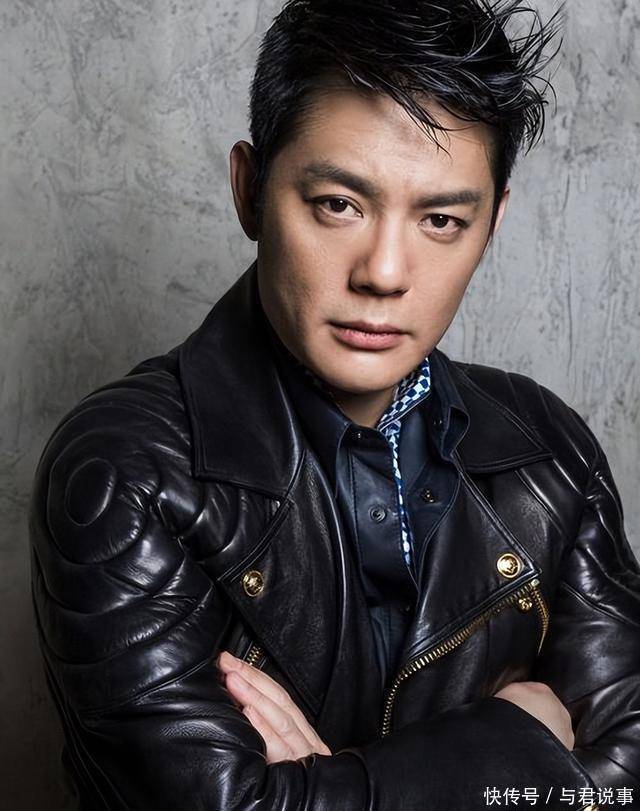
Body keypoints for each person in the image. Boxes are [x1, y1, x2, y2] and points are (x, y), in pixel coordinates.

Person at [29, 1, 640, 809]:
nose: (383, 272)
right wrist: (518, 737)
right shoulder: (125, 472)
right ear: (250, 190)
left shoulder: (547, 450)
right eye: (338, 205)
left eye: (441, 219)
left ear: (491, 225)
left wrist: (328, 781)